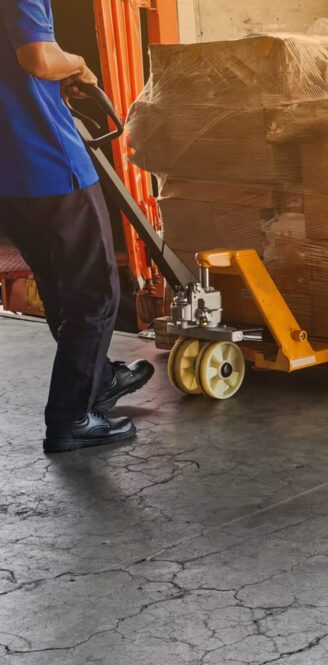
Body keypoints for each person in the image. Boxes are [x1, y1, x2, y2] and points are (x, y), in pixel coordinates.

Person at [1, 0, 154, 453]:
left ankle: (98, 378)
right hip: (49, 164)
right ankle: (72, 416)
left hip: (10, 173)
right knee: (94, 294)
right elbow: (38, 58)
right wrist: (78, 63)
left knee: (59, 287)